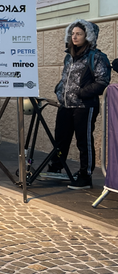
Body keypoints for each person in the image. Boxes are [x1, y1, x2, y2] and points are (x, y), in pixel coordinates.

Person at [44, 20, 110, 190]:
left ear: (88, 36)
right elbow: (65, 78)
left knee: (84, 141)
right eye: (72, 33)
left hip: (84, 107)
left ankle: (85, 176)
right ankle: (57, 167)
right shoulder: (69, 56)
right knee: (61, 138)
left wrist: (81, 93)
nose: (74, 36)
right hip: (66, 105)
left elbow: (102, 81)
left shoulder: (97, 57)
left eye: (79, 33)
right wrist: (59, 91)